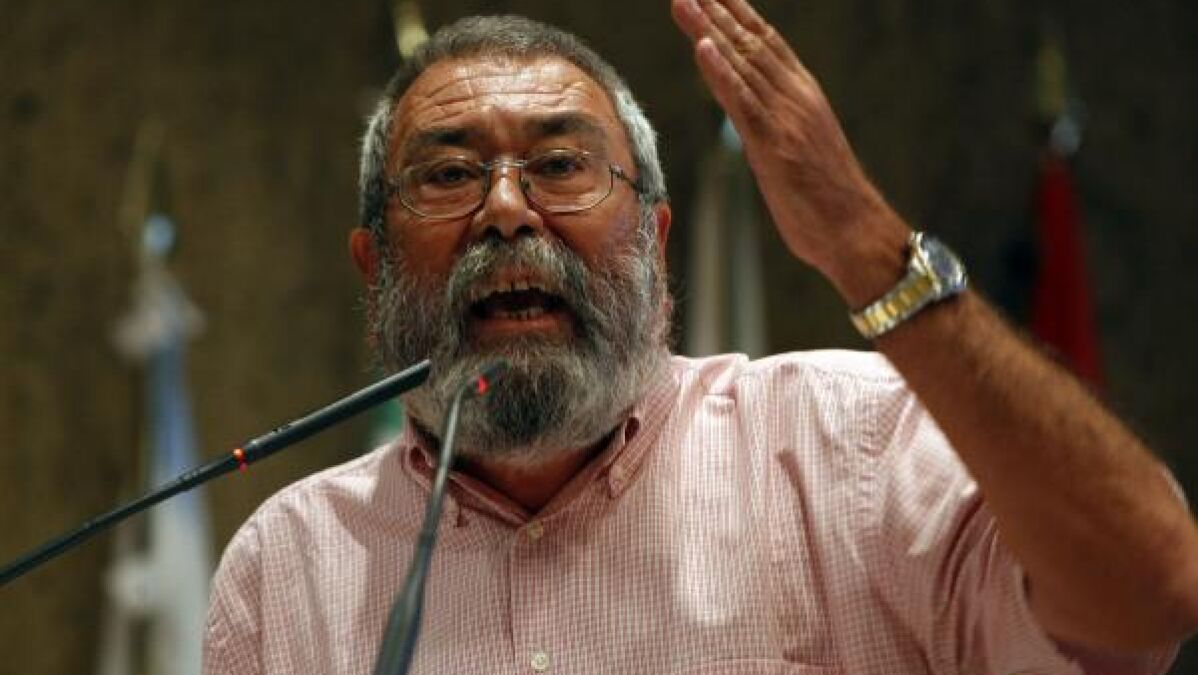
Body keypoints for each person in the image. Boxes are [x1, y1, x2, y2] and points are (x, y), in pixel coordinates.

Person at [202, 1, 1198, 673]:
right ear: (373, 265)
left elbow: (1152, 594)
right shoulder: (288, 569)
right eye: (450, 175)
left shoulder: (850, 449)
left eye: (560, 166)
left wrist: (867, 247)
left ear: (654, 238)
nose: (505, 210)